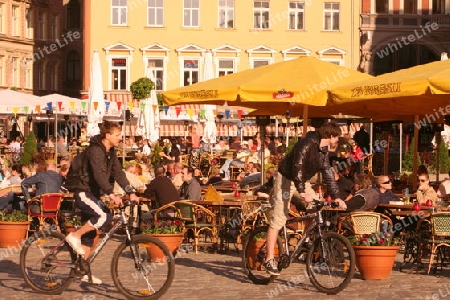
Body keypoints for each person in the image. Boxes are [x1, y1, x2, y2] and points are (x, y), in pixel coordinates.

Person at [263, 121, 343, 275]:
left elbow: (327, 172)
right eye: (337, 137)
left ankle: (304, 242)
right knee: (279, 218)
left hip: (302, 181)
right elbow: (297, 168)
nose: (338, 141)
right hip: (286, 179)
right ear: (331, 136)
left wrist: (337, 197)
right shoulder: (305, 143)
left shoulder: (323, 150)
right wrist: (302, 192)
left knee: (316, 208)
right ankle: (269, 259)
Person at [64, 121, 139, 285]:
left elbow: (119, 173)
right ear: (108, 136)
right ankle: (74, 235)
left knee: (91, 235)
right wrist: (111, 194)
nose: (121, 138)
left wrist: (130, 192)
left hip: (94, 194)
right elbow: (98, 175)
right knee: (104, 216)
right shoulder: (95, 151)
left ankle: (82, 269)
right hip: (83, 192)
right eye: (118, 135)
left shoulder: (111, 153)